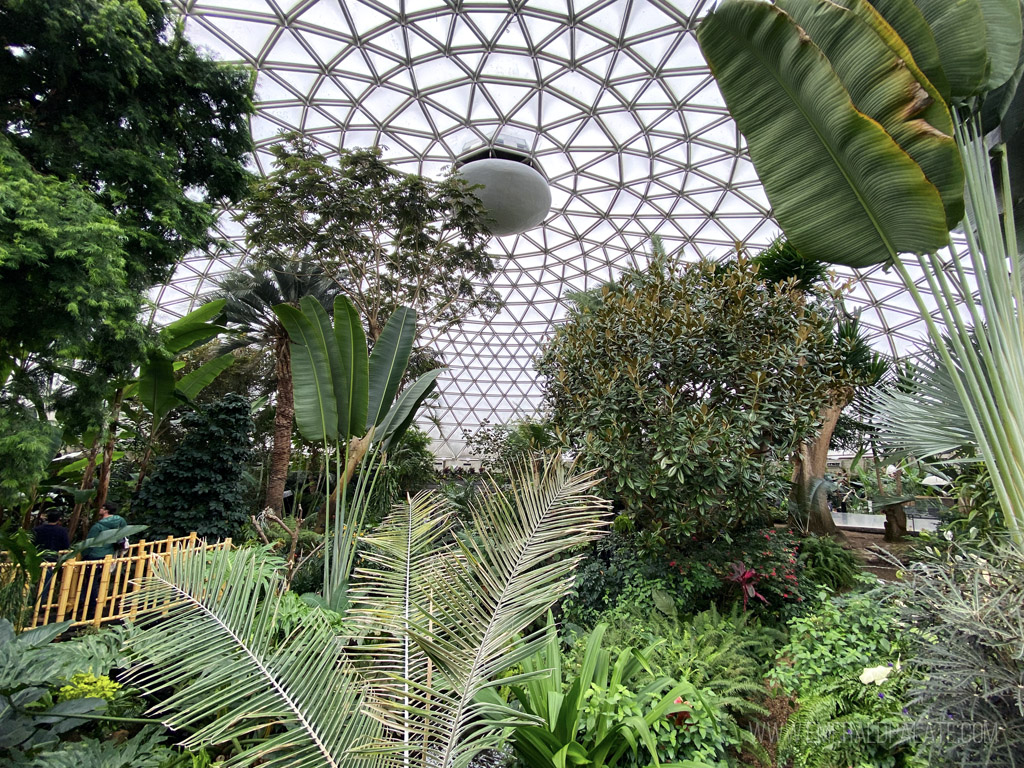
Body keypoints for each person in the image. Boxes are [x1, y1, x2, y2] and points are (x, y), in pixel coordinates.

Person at [81, 501, 128, 620]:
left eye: (102, 508)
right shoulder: (121, 521)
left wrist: (84, 555)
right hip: (108, 555)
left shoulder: (98, 526)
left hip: (95, 555)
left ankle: (90, 607)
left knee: (91, 582)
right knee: (100, 581)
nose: (100, 510)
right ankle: (98, 605)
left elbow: (89, 543)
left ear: (106, 510)